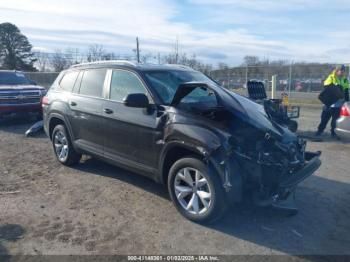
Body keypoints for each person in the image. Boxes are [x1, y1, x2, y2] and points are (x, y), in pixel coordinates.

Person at [316, 65, 349, 138]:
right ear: (337, 70)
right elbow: (326, 86)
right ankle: (319, 131)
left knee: (335, 121)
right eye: (341, 71)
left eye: (343, 71)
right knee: (324, 119)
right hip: (329, 104)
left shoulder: (345, 79)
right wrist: (336, 88)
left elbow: (346, 90)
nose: (342, 72)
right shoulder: (331, 77)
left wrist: (347, 101)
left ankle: (333, 133)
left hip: (338, 105)